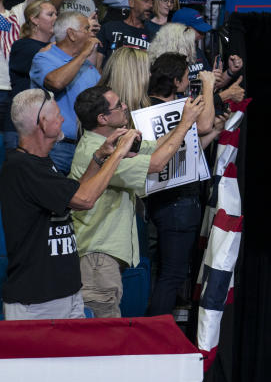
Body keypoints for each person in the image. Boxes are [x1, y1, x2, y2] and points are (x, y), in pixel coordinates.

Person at [0, 89, 139, 320]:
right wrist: (117, 156)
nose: (63, 119)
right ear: (43, 123)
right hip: (37, 301)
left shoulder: (42, 164)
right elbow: (84, 200)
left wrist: (99, 157)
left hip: (67, 292)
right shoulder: (21, 168)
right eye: (57, 115)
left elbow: (73, 194)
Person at [69, 85, 206, 317]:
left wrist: (189, 123)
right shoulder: (95, 150)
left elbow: (156, 148)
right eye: (119, 105)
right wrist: (184, 123)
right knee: (103, 335)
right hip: (97, 258)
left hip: (102, 257)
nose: (125, 106)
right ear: (102, 118)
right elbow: (155, 165)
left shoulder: (110, 143)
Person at [145, 53, 218, 316]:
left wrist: (215, 132)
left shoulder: (148, 108)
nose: (189, 83)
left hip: (164, 201)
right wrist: (208, 86)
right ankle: (155, 338)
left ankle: (154, 332)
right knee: (173, 275)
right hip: (176, 203)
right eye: (186, 78)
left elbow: (189, 148)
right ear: (175, 81)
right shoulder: (167, 111)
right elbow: (205, 123)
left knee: (164, 271)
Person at [29, 11, 101, 173]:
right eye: (86, 29)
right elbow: (56, 82)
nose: (91, 34)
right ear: (72, 34)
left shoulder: (86, 66)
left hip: (86, 147)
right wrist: (84, 54)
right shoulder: (44, 58)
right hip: (57, 147)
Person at [98, 0, 158, 65]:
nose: (151, 5)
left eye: (153, 2)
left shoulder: (153, 37)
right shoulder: (109, 28)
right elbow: (97, 65)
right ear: (131, 2)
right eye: (146, 0)